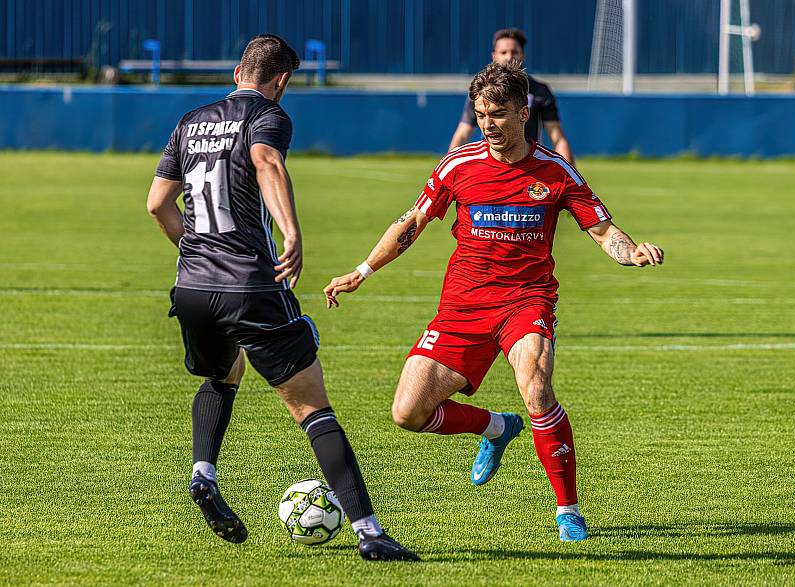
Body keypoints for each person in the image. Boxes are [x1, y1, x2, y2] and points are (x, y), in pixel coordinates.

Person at [324, 60, 663, 542]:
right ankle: (496, 428)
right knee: (408, 413)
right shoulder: (458, 165)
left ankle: (567, 510)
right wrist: (362, 271)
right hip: (462, 307)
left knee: (538, 390)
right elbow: (411, 224)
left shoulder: (556, 171)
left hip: (526, 301)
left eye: (499, 113)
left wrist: (634, 253)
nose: (489, 124)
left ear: (524, 113)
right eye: (482, 114)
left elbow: (603, 230)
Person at [146, 34, 418, 561]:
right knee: (313, 405)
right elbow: (266, 161)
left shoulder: (190, 120)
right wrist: (291, 232)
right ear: (282, 80)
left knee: (222, 375)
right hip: (249, 284)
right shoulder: (268, 116)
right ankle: (369, 532)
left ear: (235, 72)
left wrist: (198, 250)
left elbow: (158, 204)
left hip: (193, 287)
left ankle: (203, 473)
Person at [448, 27, 573, 163]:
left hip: (528, 165)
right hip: (492, 164)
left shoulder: (539, 91)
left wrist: (569, 175)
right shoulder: (481, 92)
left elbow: (558, 138)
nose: (509, 57)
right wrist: (449, 167)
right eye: (503, 52)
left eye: (514, 52)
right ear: (494, 56)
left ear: (523, 55)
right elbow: (462, 135)